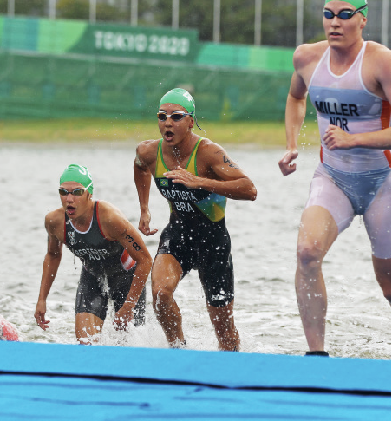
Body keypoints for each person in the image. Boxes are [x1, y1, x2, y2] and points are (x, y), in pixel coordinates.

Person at [277, 0, 391, 359]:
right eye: (328, 14)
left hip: (380, 183)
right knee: (307, 252)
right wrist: (293, 143)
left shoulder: (383, 62)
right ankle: (316, 356)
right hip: (332, 179)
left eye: (345, 15)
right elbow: (296, 97)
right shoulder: (306, 58)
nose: (334, 22)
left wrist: (356, 140)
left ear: (363, 21)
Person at [134, 88, 257, 351]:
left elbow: (249, 189)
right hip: (178, 235)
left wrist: (200, 181)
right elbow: (139, 167)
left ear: (190, 121)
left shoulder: (208, 153)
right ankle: (177, 350)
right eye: (162, 116)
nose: (168, 122)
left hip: (213, 242)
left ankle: (230, 369)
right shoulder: (148, 151)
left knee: (223, 327)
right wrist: (144, 208)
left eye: (176, 117)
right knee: (160, 294)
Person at [35, 164, 153, 345]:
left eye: (77, 192)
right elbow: (52, 255)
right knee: (85, 345)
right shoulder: (55, 221)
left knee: (129, 346)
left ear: (89, 194)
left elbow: (145, 260)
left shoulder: (109, 218)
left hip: (126, 279)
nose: (69, 198)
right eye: (63, 192)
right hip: (92, 278)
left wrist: (129, 305)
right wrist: (42, 299)